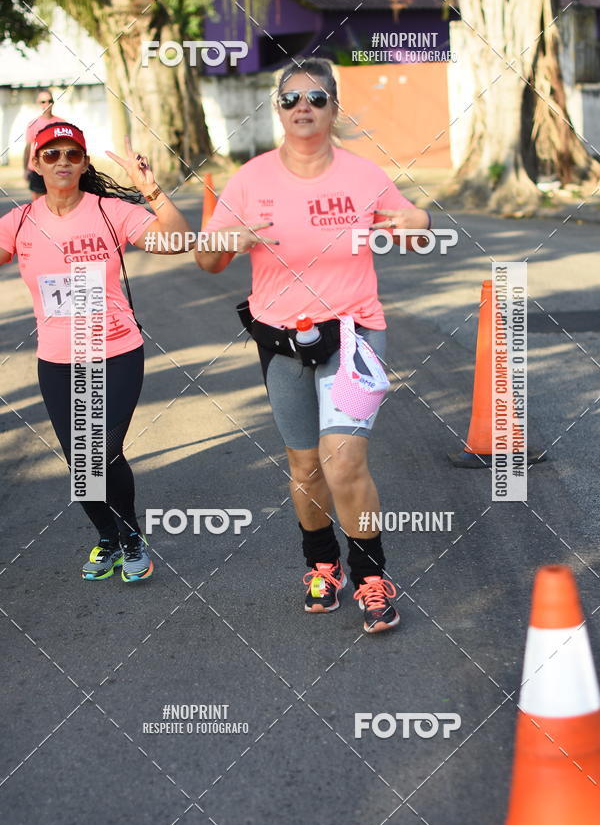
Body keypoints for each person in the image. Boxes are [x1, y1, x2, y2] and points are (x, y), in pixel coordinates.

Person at [194, 58, 431, 633]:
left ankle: (372, 578)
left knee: (343, 458)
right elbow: (207, 259)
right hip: (280, 339)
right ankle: (322, 565)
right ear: (277, 108)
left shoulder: (362, 175)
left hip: (353, 334)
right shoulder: (250, 179)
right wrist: (229, 237)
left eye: (317, 98)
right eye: (291, 98)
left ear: (333, 109)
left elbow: (416, 223)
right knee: (304, 465)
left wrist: (414, 220)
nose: (304, 107)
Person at [1, 121, 194, 583]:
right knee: (79, 461)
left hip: (115, 349)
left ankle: (131, 539)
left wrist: (150, 190)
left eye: (72, 154)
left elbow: (178, 241)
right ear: (36, 164)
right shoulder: (21, 221)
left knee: (101, 450)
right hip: (57, 358)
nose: (62, 162)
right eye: (51, 155)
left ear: (85, 163)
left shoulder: (109, 212)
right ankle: (108, 535)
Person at [23, 89, 65, 200]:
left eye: (49, 101)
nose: (46, 104)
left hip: (55, 168)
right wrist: (25, 170)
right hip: (37, 169)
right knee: (37, 201)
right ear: (39, 103)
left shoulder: (62, 123)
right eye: (43, 102)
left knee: (56, 199)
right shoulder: (33, 124)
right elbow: (28, 147)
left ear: (53, 102)